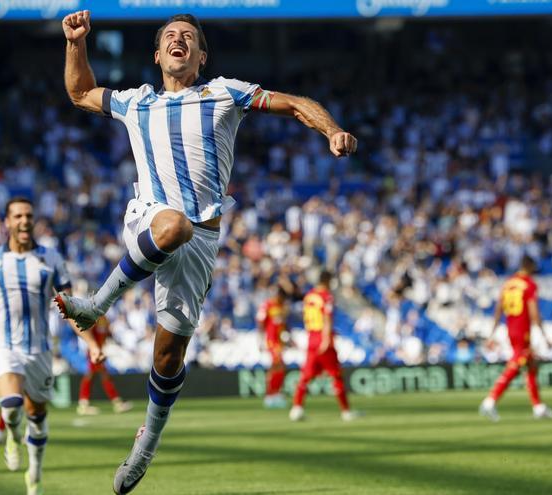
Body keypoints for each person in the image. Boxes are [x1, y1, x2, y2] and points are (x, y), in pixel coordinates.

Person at [57, 11, 357, 494]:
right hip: (153, 217)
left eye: (188, 38)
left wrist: (331, 130)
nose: (179, 41)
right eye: (170, 37)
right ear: (157, 55)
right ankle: (96, 304)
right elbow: (78, 92)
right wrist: (76, 43)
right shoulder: (136, 102)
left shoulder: (225, 93)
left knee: (169, 350)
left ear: (200, 55)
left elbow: (296, 103)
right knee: (172, 223)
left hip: (202, 238)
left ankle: (145, 446)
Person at [0, 197, 104, 495]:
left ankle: (35, 475)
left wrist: (91, 342)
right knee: (12, 405)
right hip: (3, 344)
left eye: (28, 215)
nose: (24, 221)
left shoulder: (51, 258)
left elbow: (71, 307)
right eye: (17, 216)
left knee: (37, 417)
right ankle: (13, 437)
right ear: (7, 222)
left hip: (39, 347)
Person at [480, 256, 552, 422]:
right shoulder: (529, 284)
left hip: (511, 329)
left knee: (531, 366)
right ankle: (490, 401)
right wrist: (545, 336)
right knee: (515, 365)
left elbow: (498, 310)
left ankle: (538, 407)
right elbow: (534, 313)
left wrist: (491, 334)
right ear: (529, 267)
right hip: (522, 330)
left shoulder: (508, 283)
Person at [289, 271, 357, 422]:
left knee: (306, 376)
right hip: (323, 338)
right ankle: (346, 412)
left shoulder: (309, 296)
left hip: (311, 338)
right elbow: (327, 318)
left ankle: (296, 408)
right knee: (336, 375)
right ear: (327, 281)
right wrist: (327, 339)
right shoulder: (326, 296)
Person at [77, 316, 134, 416]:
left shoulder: (104, 319)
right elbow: (88, 333)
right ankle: (116, 402)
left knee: (93, 375)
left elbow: (107, 333)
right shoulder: (94, 318)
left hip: (99, 350)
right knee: (100, 375)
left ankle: (84, 403)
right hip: (94, 351)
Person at [257, 287, 288, 409]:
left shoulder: (281, 307)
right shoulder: (267, 305)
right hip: (271, 341)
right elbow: (260, 323)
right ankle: (271, 395)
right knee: (278, 365)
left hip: (279, 341)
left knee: (278, 367)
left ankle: (275, 393)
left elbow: (282, 325)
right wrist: (260, 341)